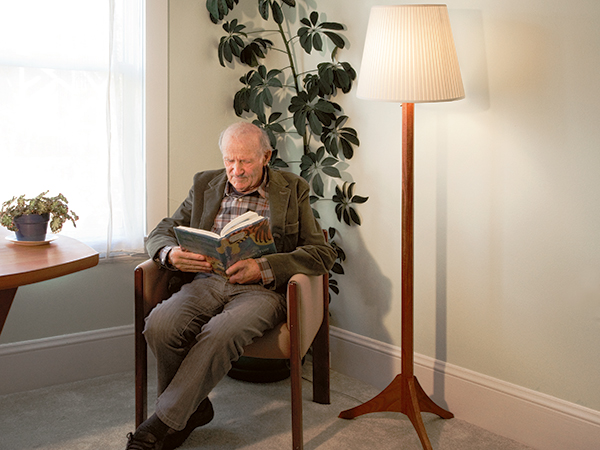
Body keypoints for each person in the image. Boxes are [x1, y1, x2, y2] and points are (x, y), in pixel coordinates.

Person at [126, 122, 336, 450]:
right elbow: (164, 228)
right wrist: (170, 254)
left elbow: (321, 253)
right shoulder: (206, 183)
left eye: (246, 161)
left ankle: (163, 424)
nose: (235, 171)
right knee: (160, 325)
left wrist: (263, 267)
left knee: (221, 332)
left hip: (261, 291)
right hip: (207, 281)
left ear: (266, 156)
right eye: (229, 161)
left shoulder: (293, 189)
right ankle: (191, 410)